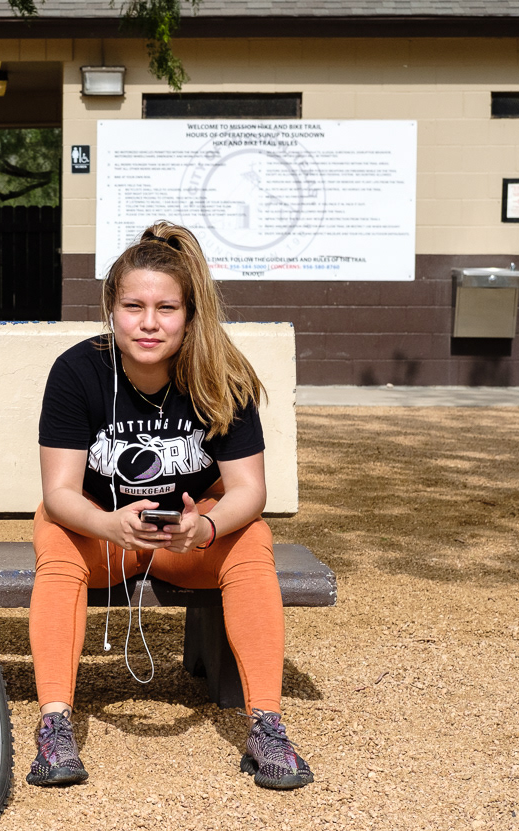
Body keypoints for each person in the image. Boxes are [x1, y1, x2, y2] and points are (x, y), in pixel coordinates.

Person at [27, 221, 314, 791]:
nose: (150, 322)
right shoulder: (77, 371)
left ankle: (268, 725)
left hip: (187, 542)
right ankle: (54, 724)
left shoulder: (220, 375)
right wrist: (109, 522)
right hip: (106, 536)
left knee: (251, 537)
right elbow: (60, 493)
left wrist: (203, 527)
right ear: (110, 309)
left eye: (167, 308)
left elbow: (249, 491)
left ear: (189, 313)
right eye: (133, 306)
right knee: (53, 534)